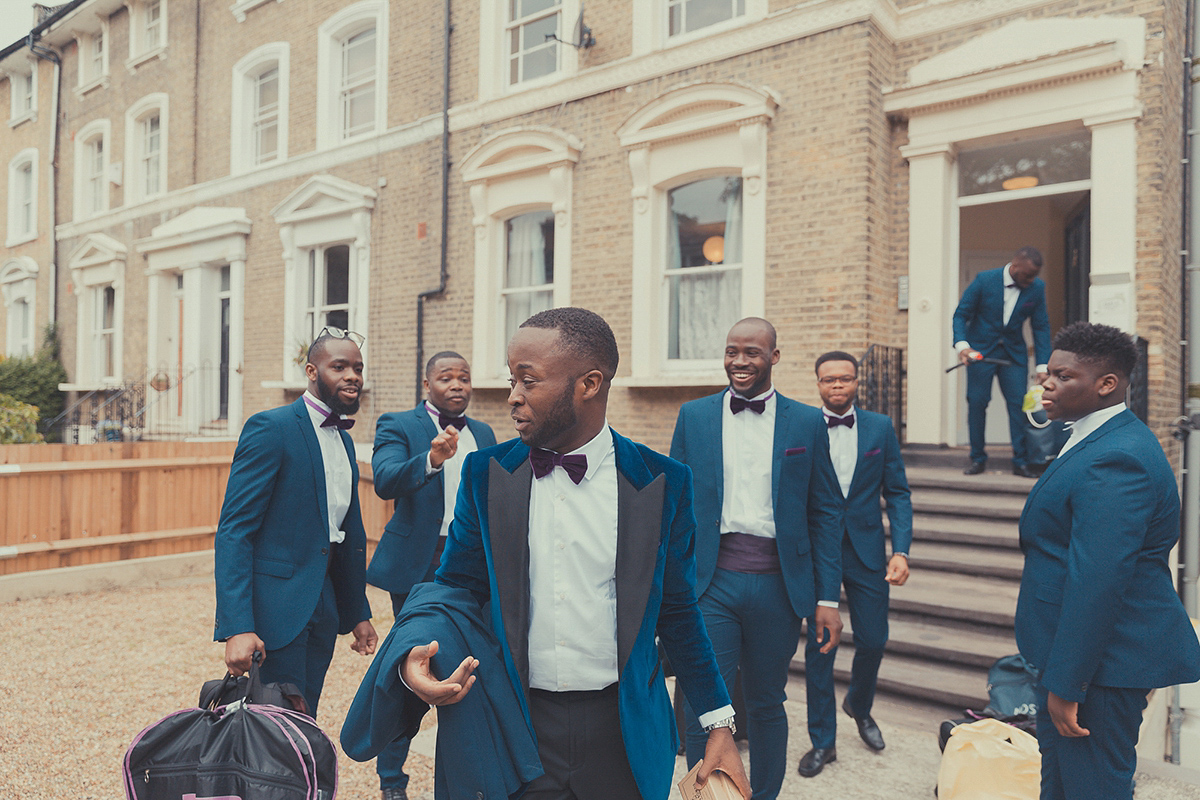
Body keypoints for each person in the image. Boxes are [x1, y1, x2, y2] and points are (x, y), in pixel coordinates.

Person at [397, 308, 751, 799]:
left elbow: (677, 609)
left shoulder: (663, 482)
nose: (512, 397)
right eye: (510, 378)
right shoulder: (485, 474)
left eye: (528, 380)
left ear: (589, 384)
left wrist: (718, 723)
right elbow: (456, 588)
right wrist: (415, 650)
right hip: (515, 725)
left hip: (622, 731)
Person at [1015, 322, 1200, 799]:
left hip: (1103, 665)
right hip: (1072, 654)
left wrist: (1068, 682)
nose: (1047, 385)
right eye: (1046, 375)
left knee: (1094, 788)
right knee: (1059, 784)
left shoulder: (1120, 456)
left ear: (1106, 384)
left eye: (1062, 376)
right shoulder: (1090, 435)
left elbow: (1097, 580)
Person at [670, 317, 843, 798]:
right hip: (711, 582)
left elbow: (826, 511)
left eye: (751, 352)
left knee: (767, 701)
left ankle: (762, 795)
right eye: (732, 351)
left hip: (779, 586)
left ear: (774, 357)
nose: (739, 362)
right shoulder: (694, 416)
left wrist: (828, 596)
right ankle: (705, 795)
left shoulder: (807, 421)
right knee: (704, 701)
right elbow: (675, 506)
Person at [213, 328, 378, 717]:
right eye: (339, 366)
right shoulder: (271, 428)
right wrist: (237, 626)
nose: (352, 375)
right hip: (274, 611)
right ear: (311, 370)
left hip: (323, 607)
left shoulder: (346, 440)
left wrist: (357, 612)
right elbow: (235, 530)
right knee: (268, 725)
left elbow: (345, 531)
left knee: (305, 715)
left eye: (358, 367)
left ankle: (305, 780)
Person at [366, 351, 497, 800]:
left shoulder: (483, 433)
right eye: (447, 377)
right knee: (413, 666)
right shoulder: (399, 425)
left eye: (465, 377)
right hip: (419, 565)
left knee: (469, 669)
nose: (457, 385)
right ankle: (392, 781)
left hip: (472, 566)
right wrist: (432, 459)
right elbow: (384, 480)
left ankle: (467, 777)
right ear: (428, 384)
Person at [798, 351, 912, 776]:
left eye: (845, 379)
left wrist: (901, 550)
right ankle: (823, 742)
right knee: (820, 648)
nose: (838, 387)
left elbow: (898, 492)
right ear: (818, 384)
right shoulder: (803, 427)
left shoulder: (881, 427)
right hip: (819, 552)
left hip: (867, 551)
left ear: (857, 381)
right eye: (829, 380)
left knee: (874, 639)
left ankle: (859, 706)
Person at [952, 246, 1051, 478]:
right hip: (980, 353)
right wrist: (963, 347)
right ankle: (977, 458)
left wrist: (1042, 365)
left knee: (1019, 406)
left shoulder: (1036, 288)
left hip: (1014, 355)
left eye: (1034, 276)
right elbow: (961, 315)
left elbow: (1041, 327)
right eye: (1027, 275)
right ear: (1015, 267)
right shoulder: (985, 280)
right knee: (977, 403)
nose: (1031, 280)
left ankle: (1021, 461)